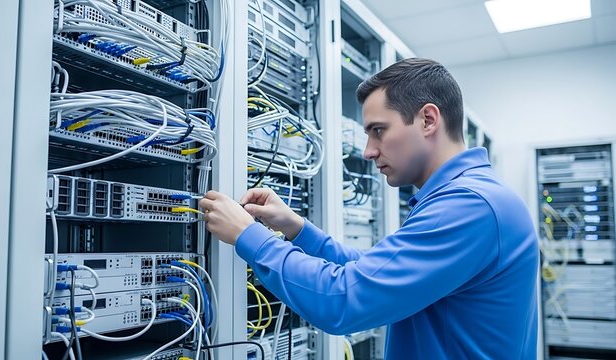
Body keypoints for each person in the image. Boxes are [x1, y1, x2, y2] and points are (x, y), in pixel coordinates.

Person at [199, 58, 538, 359]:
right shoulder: (470, 196)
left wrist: (248, 235)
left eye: (378, 131)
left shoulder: (469, 206)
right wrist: (297, 229)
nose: (368, 151)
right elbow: (376, 274)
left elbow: (343, 300)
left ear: (428, 120)